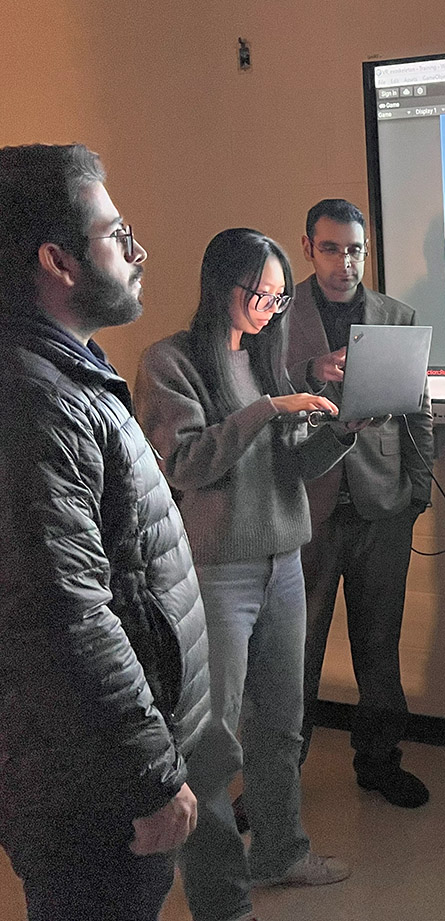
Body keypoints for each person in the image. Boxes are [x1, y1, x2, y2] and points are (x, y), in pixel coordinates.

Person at [0, 143, 210, 921]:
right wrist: (149, 777)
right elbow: (65, 617)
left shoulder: (61, 371)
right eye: (118, 234)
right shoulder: (34, 399)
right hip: (89, 790)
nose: (138, 251)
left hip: (91, 770)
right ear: (57, 259)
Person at [136, 228, 364, 921]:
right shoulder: (169, 361)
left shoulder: (268, 363)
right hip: (218, 571)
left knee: (281, 723)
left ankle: (282, 850)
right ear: (220, 285)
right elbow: (188, 464)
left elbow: (290, 466)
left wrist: (344, 427)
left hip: (282, 561)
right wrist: (268, 409)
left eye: (274, 296)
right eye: (257, 293)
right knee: (213, 739)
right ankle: (223, 898)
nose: (269, 307)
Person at [287, 198, 435, 808]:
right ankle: (278, 779)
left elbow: (418, 413)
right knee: (295, 653)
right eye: (330, 248)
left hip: (382, 508)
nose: (344, 262)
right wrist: (309, 370)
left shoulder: (395, 317)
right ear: (307, 247)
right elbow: (254, 391)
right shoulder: (277, 314)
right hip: (303, 508)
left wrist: (418, 490)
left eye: (354, 250)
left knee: (380, 644)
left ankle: (379, 761)